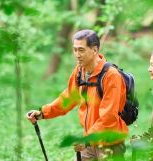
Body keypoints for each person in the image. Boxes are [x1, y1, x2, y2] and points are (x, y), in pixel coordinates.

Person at [26, 29, 128, 161]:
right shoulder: (80, 71)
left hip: (110, 145)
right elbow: (68, 98)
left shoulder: (111, 76)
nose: (77, 55)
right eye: (75, 50)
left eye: (81, 50)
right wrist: (42, 113)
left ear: (95, 50)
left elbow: (109, 117)